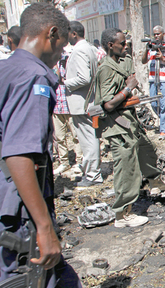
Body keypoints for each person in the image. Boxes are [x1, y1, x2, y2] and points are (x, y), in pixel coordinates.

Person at [0, 3, 85, 288]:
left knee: (64, 287)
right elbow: (19, 154)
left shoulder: (4, 69)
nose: (62, 54)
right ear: (51, 34)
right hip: (17, 212)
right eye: (62, 45)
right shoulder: (34, 78)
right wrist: (44, 226)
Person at [94, 28, 165, 227]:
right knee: (127, 168)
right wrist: (128, 88)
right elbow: (108, 104)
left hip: (129, 119)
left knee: (147, 150)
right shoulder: (106, 69)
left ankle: (154, 181)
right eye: (122, 44)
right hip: (117, 125)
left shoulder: (123, 61)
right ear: (111, 45)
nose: (126, 46)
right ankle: (122, 214)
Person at [65, 21, 102, 187]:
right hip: (88, 101)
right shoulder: (89, 48)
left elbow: (84, 78)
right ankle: (91, 172)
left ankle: (93, 175)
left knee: (88, 140)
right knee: (90, 138)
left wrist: (64, 82)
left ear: (73, 33)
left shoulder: (80, 50)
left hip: (83, 102)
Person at [142, 25, 165, 140]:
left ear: (163, 34)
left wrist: (163, 59)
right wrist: (147, 49)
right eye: (154, 34)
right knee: (154, 104)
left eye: (158, 34)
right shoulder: (151, 47)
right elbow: (143, 61)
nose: (156, 36)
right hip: (153, 79)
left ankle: (164, 130)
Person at [52, 51, 80, 176]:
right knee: (59, 137)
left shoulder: (68, 60)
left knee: (76, 135)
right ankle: (64, 162)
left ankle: (79, 160)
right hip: (56, 106)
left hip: (69, 105)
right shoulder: (50, 63)